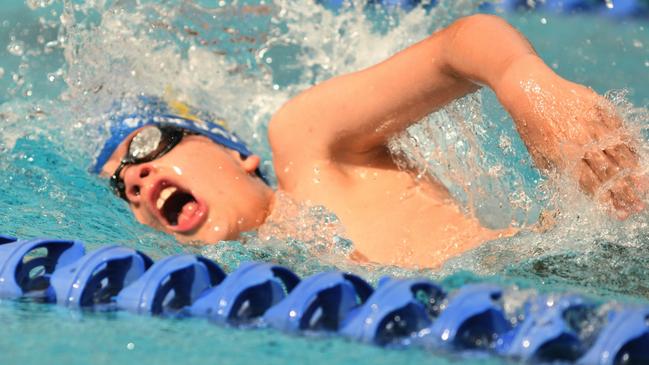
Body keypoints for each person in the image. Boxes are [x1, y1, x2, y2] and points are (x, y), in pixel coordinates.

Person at [96, 14, 644, 268]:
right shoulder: (264, 287)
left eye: (149, 145)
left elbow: (462, 45)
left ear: (237, 154)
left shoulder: (308, 148)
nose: (138, 180)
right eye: (124, 189)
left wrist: (531, 89)